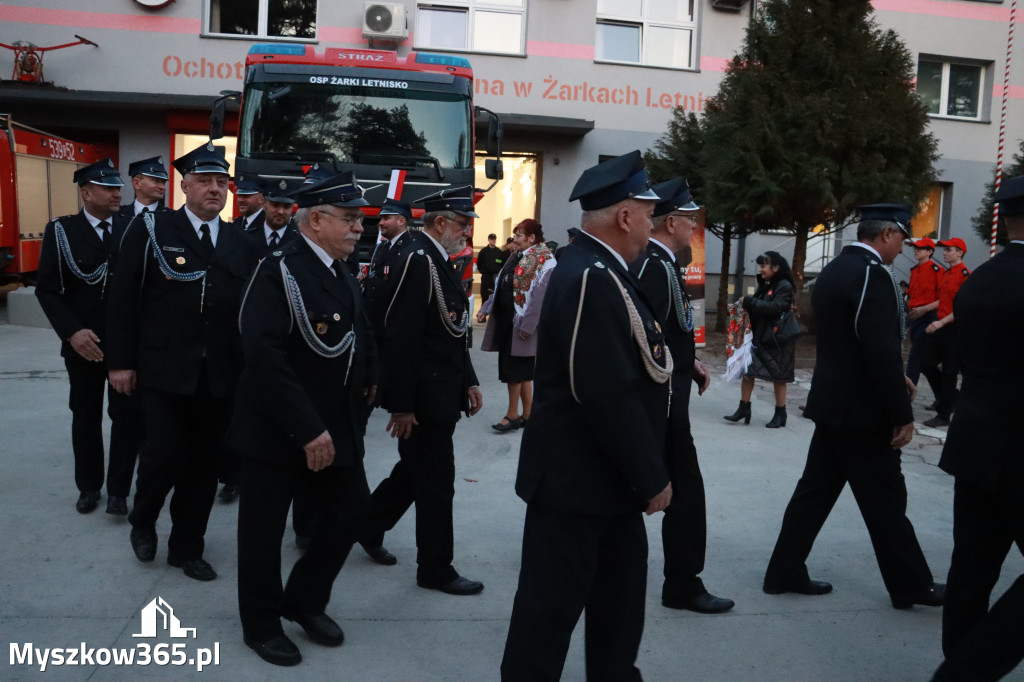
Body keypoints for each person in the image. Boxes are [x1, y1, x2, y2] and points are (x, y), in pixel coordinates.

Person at [501, 150, 673, 681]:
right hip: (577, 484)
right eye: (648, 212)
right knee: (548, 616)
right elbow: (604, 392)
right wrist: (651, 475)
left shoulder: (603, 271)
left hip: (605, 481)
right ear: (625, 216)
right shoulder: (589, 276)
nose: (654, 222)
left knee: (619, 607)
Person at [763, 203, 945, 609]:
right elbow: (879, 348)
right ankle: (912, 585)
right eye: (901, 238)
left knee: (814, 493)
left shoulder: (834, 270)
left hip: (834, 402)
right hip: (862, 412)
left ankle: (784, 570)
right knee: (885, 502)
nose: (903, 247)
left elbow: (851, 342)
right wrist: (901, 412)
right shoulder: (871, 274)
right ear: (886, 234)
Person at [231, 172, 376, 667]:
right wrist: (306, 428)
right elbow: (264, 355)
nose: (359, 228)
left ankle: (305, 600)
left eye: (360, 219)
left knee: (353, 509)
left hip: (334, 422)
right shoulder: (279, 271)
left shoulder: (339, 268)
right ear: (315, 220)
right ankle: (262, 623)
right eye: (350, 219)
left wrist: (373, 386)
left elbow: (359, 334)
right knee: (263, 532)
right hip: (279, 427)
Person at [106, 142, 256, 582]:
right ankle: (144, 520)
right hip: (163, 369)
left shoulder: (239, 241)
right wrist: (120, 363)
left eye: (221, 183)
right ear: (185, 186)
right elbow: (122, 301)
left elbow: (251, 309)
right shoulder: (152, 230)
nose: (214, 189)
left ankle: (187, 546)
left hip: (220, 375)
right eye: (205, 181)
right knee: (163, 455)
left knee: (206, 465)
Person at [356, 185, 485, 596]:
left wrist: (468, 378)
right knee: (435, 482)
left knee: (415, 473)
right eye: (463, 224)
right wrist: (402, 406)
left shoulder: (432, 255)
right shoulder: (417, 257)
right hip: (424, 397)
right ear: (441, 222)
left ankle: (366, 525)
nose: (467, 232)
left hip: (441, 389)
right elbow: (402, 336)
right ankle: (435, 568)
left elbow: (449, 329)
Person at [931, 176, 1024, 682]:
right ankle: (965, 670)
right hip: (1018, 447)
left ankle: (958, 656)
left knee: (972, 569)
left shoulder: (980, 279)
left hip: (976, 440)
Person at [632, 177, 733, 615]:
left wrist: (686, 359)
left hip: (667, 399)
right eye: (690, 220)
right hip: (663, 407)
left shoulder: (660, 263)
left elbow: (658, 331)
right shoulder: (654, 266)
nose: (695, 228)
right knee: (683, 493)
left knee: (667, 492)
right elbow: (639, 335)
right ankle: (683, 585)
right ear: (670, 221)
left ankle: (681, 581)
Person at [35, 159, 144, 516]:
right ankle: (89, 486)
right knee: (85, 416)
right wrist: (71, 333)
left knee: (126, 418)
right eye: (109, 187)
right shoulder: (62, 231)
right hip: (83, 344)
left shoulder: (134, 226)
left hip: (125, 344)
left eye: (118, 186)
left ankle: (118, 491)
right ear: (86, 192)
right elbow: (48, 290)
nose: (118, 192)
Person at [477, 219, 555, 432]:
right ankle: (529, 415)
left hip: (521, 325)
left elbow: (540, 297)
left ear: (532, 238)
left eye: (519, 235)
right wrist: (486, 307)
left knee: (514, 372)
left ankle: (512, 415)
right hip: (508, 322)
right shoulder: (517, 256)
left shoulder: (543, 260)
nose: (515, 240)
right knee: (522, 373)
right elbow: (501, 284)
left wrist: (527, 326)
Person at [723, 251, 796, 428]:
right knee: (748, 371)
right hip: (761, 335)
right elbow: (758, 306)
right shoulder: (767, 284)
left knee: (779, 376)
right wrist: (739, 307)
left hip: (777, 338)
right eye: (760, 265)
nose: (761, 269)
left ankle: (780, 413)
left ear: (776, 267)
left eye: (764, 265)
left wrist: (749, 301)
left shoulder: (784, 286)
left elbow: (775, 308)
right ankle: (744, 408)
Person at [921, 237, 971, 428]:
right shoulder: (946, 273)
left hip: (954, 329)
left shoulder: (965, 275)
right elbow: (942, 300)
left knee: (950, 373)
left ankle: (943, 415)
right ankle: (951, 398)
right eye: (944, 250)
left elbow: (962, 308)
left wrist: (941, 322)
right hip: (940, 326)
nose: (945, 253)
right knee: (926, 363)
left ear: (959, 253)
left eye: (949, 250)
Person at [362, 197, 416, 340]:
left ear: (401, 221)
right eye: (381, 218)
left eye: (386, 218)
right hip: (374, 326)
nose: (381, 223)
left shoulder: (411, 250)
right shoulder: (381, 248)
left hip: (393, 330)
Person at [904, 237, 944, 403]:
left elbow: (945, 298)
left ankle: (906, 393)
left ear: (929, 251)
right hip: (915, 316)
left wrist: (926, 309)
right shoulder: (914, 270)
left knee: (915, 355)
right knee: (926, 363)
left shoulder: (937, 270)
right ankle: (947, 396)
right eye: (915, 248)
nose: (916, 251)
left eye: (920, 249)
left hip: (929, 316)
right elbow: (913, 294)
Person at [243, 180, 299, 257]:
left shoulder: (299, 241)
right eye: (275, 205)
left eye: (286, 207)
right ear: (264, 204)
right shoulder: (245, 238)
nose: (281, 212)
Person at [476, 232, 504, 301]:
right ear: (488, 240)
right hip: (486, 277)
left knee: (495, 296)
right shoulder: (483, 251)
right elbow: (479, 263)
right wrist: (483, 271)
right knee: (485, 295)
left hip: (495, 277)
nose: (493, 241)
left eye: (494, 239)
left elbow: (502, 264)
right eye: (492, 239)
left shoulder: (499, 252)